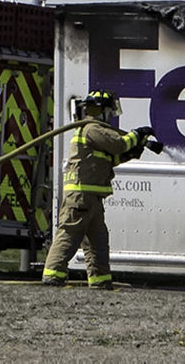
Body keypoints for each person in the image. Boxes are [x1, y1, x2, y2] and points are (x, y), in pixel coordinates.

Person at [41, 89, 153, 290]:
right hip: (81, 196)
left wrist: (133, 152)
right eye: (110, 111)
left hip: (92, 198)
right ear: (101, 110)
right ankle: (52, 275)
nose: (111, 115)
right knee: (69, 234)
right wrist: (137, 135)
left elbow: (112, 158)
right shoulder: (93, 129)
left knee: (98, 241)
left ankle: (100, 280)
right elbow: (118, 144)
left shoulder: (95, 132)